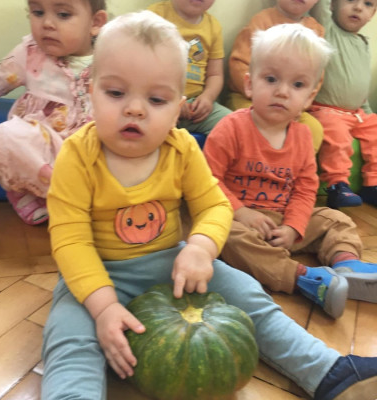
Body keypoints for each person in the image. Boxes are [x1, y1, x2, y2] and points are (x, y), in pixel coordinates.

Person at [41, 12, 377, 400]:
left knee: (249, 295)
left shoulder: (182, 148)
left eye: (156, 99)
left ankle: (329, 370)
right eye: (115, 93)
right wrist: (102, 307)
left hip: (173, 263)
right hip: (94, 274)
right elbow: (70, 240)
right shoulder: (76, 155)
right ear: (90, 91)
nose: (135, 109)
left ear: (178, 107)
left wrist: (200, 248)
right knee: (68, 339)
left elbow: (215, 206)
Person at [204, 23, 377, 319]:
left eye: (297, 85)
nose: (282, 92)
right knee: (225, 235)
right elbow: (208, 181)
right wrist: (240, 212)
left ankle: (346, 265)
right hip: (240, 220)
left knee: (336, 219)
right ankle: (300, 278)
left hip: (284, 221)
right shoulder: (230, 127)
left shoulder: (303, 136)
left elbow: (306, 189)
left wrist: (294, 227)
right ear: (249, 84)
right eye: (271, 79)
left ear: (310, 96)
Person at [0, 0, 107, 224]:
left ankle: (73, 202)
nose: (47, 23)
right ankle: (31, 195)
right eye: (37, 12)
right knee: (9, 136)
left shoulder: (112, 58)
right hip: (40, 149)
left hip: (89, 153)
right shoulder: (30, 53)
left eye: (63, 14)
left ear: (95, 23)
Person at [226, 0, 325, 152]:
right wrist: (257, 94)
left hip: (290, 106)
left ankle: (292, 165)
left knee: (314, 129)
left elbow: (315, 77)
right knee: (251, 122)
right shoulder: (262, 21)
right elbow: (239, 63)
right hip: (247, 97)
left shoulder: (316, 31)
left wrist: (300, 105)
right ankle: (254, 162)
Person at [309, 0, 377, 208]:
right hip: (326, 110)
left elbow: (361, 84)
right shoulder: (328, 29)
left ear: (373, 14)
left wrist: (368, 112)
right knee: (337, 138)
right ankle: (337, 185)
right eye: (350, 0)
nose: (358, 7)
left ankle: (373, 184)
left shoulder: (363, 43)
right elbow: (319, 6)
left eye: (368, 4)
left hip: (357, 112)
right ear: (332, 5)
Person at [147, 0, 231, 136]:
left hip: (196, 106)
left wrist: (208, 97)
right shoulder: (155, 17)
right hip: (159, 101)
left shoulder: (213, 26)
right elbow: (144, 68)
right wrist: (171, 99)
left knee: (234, 127)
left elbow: (215, 75)